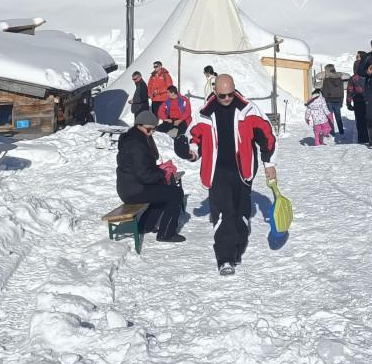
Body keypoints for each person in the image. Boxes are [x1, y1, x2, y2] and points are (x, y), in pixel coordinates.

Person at [186, 75, 278, 275]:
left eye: (230, 94)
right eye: (222, 95)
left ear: (234, 89)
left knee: (240, 212)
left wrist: (269, 163)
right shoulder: (204, 112)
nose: (227, 98)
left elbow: (267, 135)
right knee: (223, 212)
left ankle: (237, 248)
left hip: (242, 170)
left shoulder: (248, 110)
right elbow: (194, 135)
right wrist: (192, 151)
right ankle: (225, 258)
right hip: (216, 171)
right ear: (215, 91)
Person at [116, 109, 185, 243]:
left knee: (163, 191)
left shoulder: (133, 139)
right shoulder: (137, 144)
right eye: (149, 130)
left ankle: (145, 225)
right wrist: (161, 173)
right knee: (175, 193)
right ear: (139, 126)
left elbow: (141, 170)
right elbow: (144, 175)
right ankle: (166, 233)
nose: (151, 133)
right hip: (134, 190)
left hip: (130, 187)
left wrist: (158, 174)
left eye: (153, 130)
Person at [320, 64, 346, 136]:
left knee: (330, 117)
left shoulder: (327, 80)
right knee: (338, 117)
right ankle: (341, 132)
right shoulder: (339, 79)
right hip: (338, 100)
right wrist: (341, 101)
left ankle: (332, 133)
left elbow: (324, 92)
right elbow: (341, 91)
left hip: (329, 101)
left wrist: (322, 92)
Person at [348, 52, 368, 144]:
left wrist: (348, 103)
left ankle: (362, 139)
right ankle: (370, 137)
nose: (356, 57)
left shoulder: (356, 66)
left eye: (357, 56)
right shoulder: (369, 64)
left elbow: (350, 90)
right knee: (369, 118)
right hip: (369, 98)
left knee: (360, 120)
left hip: (358, 99)